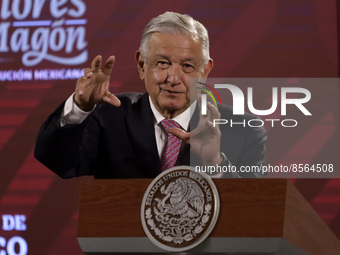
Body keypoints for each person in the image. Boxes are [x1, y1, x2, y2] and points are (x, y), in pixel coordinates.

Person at [34, 12, 266, 179]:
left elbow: (256, 212)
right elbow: (59, 163)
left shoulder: (243, 128)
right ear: (141, 64)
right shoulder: (109, 117)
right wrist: (79, 108)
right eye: (162, 63)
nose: (173, 78)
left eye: (187, 66)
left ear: (204, 71)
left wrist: (213, 164)